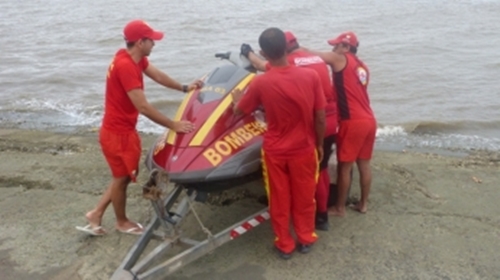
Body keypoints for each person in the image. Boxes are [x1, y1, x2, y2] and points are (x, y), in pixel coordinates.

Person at [76, 19, 201, 236]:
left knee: (121, 176)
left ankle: (95, 213)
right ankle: (121, 222)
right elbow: (143, 106)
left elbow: (158, 75)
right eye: (151, 40)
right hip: (118, 133)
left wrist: (184, 88)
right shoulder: (125, 66)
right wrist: (173, 125)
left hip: (121, 130)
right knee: (121, 178)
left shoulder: (131, 58)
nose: (155, 44)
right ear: (140, 42)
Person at [232, 27, 326, 259]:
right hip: (304, 148)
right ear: (287, 48)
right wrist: (320, 144)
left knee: (279, 198)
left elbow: (240, 111)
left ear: (263, 53)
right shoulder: (310, 76)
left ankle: (284, 244)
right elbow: (320, 117)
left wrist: (235, 100)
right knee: (305, 196)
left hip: (275, 151)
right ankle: (305, 237)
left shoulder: (260, 83)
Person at [305, 32, 376, 216]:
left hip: (352, 121)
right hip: (369, 119)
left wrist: (294, 50)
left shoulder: (341, 59)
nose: (333, 49)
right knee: (364, 164)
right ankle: (363, 204)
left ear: (346, 48)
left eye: (336, 45)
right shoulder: (362, 66)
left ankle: (339, 208)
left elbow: (313, 55)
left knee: (345, 166)